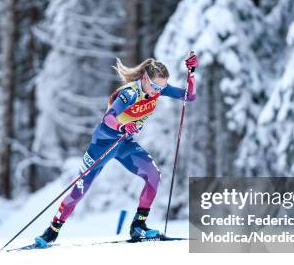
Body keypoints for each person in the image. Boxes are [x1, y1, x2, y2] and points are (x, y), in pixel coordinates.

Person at [34, 53, 198, 247]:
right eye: (155, 87)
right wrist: (122, 126)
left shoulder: (157, 88)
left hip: (124, 144)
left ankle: (139, 225)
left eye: (161, 88)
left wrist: (191, 73)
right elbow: (109, 118)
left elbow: (190, 96)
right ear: (145, 78)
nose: (157, 92)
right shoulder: (129, 93)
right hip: (103, 144)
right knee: (80, 188)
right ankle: (51, 231)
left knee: (153, 175)